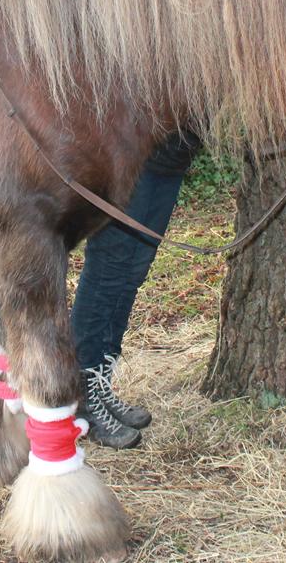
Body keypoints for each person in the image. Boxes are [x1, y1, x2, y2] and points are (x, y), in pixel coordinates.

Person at [71, 131, 201, 448]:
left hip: (170, 158)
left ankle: (101, 385)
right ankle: (81, 396)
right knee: (109, 269)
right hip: (129, 155)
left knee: (132, 271)